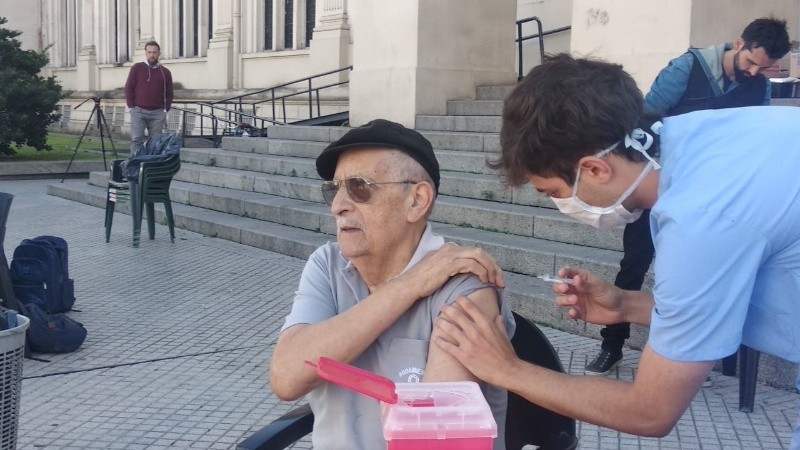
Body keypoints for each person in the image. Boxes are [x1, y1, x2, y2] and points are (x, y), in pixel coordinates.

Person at [432, 53, 800, 445]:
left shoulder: (700, 219)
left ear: (594, 169)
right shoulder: (702, 136)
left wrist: (507, 370)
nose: (563, 206)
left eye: (555, 193)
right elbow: (714, 305)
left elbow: (651, 410)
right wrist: (626, 306)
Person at [269, 119, 515, 450]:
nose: (337, 205)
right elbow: (285, 378)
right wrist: (408, 286)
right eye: (334, 188)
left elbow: (433, 443)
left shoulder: (465, 286)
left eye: (359, 187)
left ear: (416, 200)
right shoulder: (328, 264)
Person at [586, 16, 791, 376]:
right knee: (633, 266)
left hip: (717, 202)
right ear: (739, 43)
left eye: (764, 68)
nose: (755, 71)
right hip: (659, 186)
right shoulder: (687, 68)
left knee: (705, 277)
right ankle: (611, 347)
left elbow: (754, 142)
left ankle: (697, 358)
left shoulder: (760, 87)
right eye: (751, 62)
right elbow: (644, 122)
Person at [124, 40, 174, 156]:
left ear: (159, 54)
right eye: (149, 52)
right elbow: (128, 87)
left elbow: (169, 92)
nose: (152, 55)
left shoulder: (165, 72)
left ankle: (150, 165)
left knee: (155, 142)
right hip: (138, 111)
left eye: (154, 52)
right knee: (137, 139)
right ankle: (134, 165)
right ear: (146, 53)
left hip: (157, 113)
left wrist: (165, 109)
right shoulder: (137, 68)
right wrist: (131, 107)